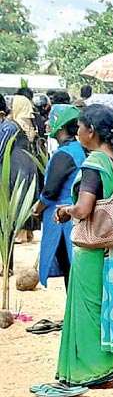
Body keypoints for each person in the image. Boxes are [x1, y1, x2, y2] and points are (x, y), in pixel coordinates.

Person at [49, 104, 113, 388]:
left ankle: (94, 368)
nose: (77, 132)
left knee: (88, 309)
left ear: (91, 131)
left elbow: (85, 208)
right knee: (104, 304)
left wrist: (66, 210)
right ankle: (111, 363)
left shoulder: (93, 165)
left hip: (92, 248)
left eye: (80, 127)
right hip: (112, 247)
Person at [31, 105, 86, 290]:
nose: (47, 123)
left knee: (69, 267)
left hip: (62, 218)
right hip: (76, 215)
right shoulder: (79, 149)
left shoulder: (64, 155)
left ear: (60, 126)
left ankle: (73, 317)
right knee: (75, 269)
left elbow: (51, 190)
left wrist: (36, 209)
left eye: (51, 120)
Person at [0, 93, 39, 275]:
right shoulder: (27, 128)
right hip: (22, 175)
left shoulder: (8, 126)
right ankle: (7, 265)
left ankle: (6, 266)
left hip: (8, 177)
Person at [9, 92, 41, 244]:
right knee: (29, 194)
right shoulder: (33, 120)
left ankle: (20, 233)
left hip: (17, 163)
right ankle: (28, 232)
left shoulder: (16, 123)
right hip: (30, 161)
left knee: (19, 196)